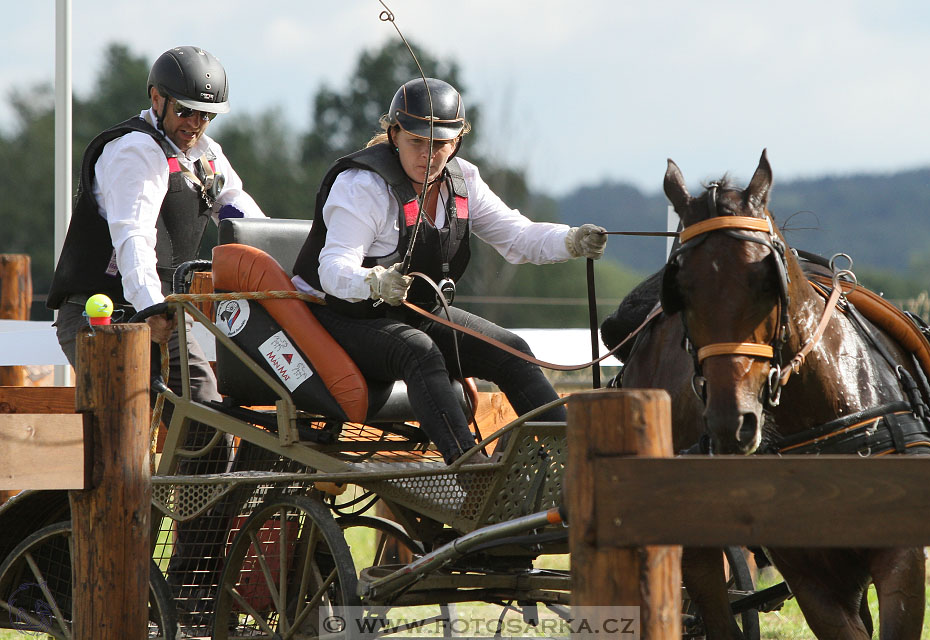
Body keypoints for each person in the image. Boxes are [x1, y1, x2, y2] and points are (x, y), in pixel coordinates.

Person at [46, 45, 267, 624]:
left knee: (212, 429)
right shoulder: (133, 152)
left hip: (166, 314)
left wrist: (291, 283)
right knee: (126, 451)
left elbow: (249, 223)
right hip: (108, 317)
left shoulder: (207, 156)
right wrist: (150, 313)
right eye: (186, 112)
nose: (195, 125)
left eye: (205, 115)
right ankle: (116, 587)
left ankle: (189, 595)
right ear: (157, 99)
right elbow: (134, 242)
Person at [293, 77, 607, 464]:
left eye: (440, 144)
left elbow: (518, 236)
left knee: (512, 350)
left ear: (456, 141)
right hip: (338, 315)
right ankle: (471, 473)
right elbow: (333, 270)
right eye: (416, 142)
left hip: (410, 312)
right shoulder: (362, 187)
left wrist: (571, 240)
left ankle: (572, 466)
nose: (428, 155)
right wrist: (374, 282)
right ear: (394, 134)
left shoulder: (464, 181)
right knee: (420, 351)